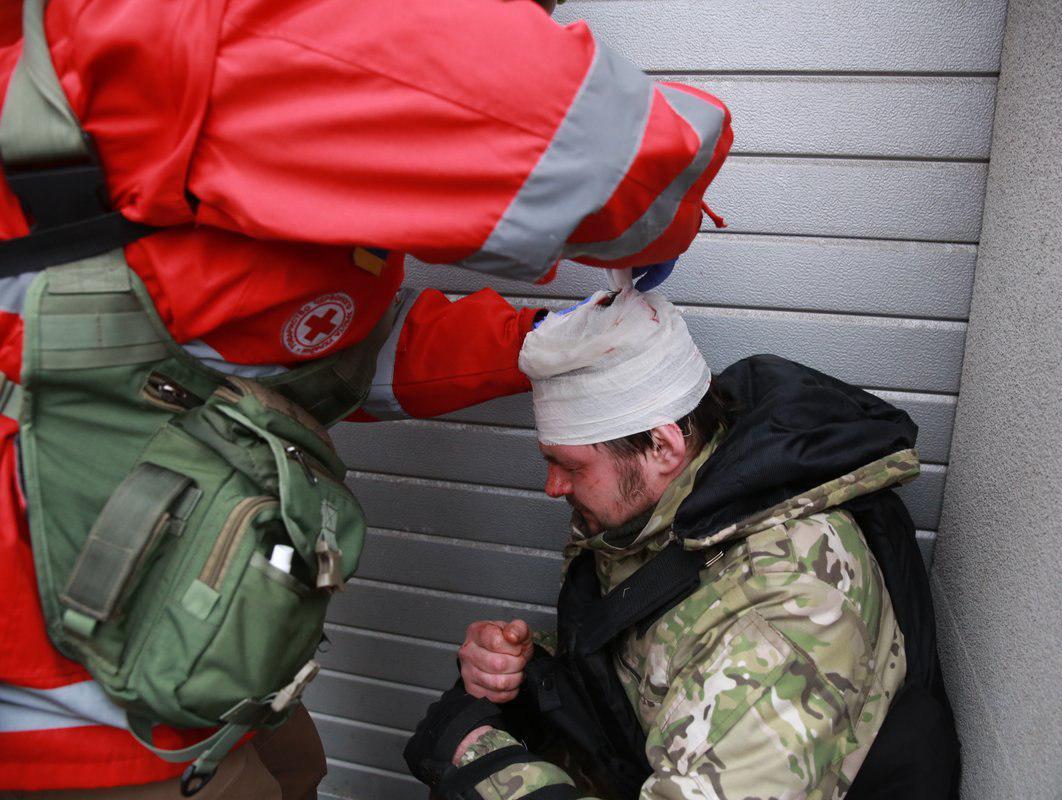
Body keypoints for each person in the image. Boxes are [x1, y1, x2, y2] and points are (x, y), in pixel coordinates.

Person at [0, 0, 734, 794]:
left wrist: (535, 340)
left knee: (298, 768)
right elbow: (613, 158)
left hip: (189, 629)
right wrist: (665, 219)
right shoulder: (183, 23)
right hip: (76, 688)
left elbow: (305, 345)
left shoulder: (186, 128)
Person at [404, 290, 960, 800]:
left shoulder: (786, 614)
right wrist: (525, 664)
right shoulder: (673, 506)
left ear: (663, 447)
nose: (552, 487)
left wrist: (477, 756)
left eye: (569, 465)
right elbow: (666, 646)